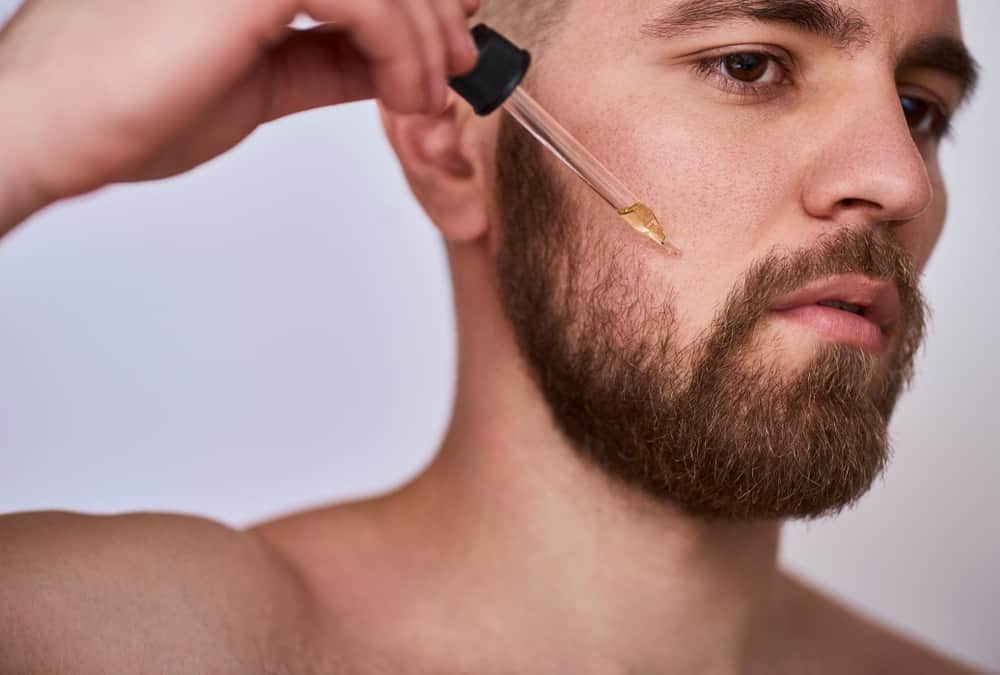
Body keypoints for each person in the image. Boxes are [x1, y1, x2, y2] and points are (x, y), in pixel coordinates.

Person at [0, 0, 986, 672]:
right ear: (448, 149)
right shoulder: (100, 645)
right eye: (748, 65)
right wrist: (22, 122)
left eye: (916, 109)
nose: (898, 180)